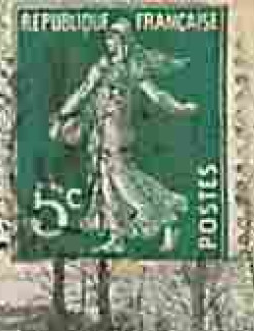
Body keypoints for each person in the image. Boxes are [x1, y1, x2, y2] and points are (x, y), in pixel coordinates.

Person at [49, 19, 199, 253]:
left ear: (125, 40)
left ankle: (167, 220)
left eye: (115, 38)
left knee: (125, 183)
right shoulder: (101, 66)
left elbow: (156, 95)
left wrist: (179, 108)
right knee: (108, 186)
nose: (110, 43)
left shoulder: (133, 67)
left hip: (119, 133)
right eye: (108, 38)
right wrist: (63, 113)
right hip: (100, 133)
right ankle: (117, 237)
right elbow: (83, 92)